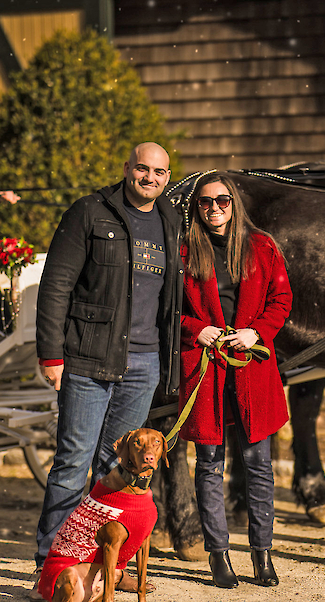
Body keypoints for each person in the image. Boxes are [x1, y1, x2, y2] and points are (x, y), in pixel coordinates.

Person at [30, 142, 183, 599]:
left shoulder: (170, 219)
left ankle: (104, 570)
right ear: (127, 169)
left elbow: (172, 296)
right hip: (88, 357)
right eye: (142, 168)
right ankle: (51, 567)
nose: (150, 177)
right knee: (73, 463)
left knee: (116, 466)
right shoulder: (90, 211)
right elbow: (57, 282)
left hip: (144, 363)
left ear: (167, 176)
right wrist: (50, 354)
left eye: (159, 172)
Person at [178, 172, 292, 588]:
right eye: (206, 202)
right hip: (207, 367)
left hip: (250, 368)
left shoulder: (262, 247)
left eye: (222, 201)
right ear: (197, 207)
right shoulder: (185, 250)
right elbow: (167, 309)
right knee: (209, 465)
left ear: (234, 203)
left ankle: (262, 555)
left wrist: (256, 331)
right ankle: (219, 555)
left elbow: (282, 299)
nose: (214, 209)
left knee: (258, 465)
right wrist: (196, 329)